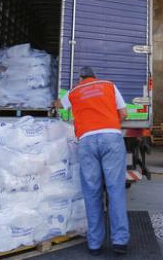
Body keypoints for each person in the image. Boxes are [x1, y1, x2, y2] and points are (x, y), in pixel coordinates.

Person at [55, 67, 129, 256]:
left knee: (92, 191)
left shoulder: (74, 91)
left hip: (87, 140)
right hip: (111, 138)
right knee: (115, 190)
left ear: (81, 78)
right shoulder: (108, 85)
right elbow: (124, 113)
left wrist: (55, 103)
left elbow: (58, 105)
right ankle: (120, 241)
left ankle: (95, 244)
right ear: (94, 76)